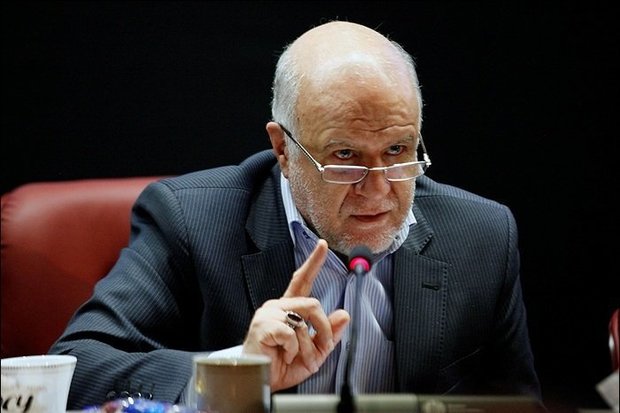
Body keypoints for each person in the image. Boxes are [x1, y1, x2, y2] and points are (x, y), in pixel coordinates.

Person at [49, 20, 541, 409]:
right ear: (283, 149)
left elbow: (518, 405)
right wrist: (238, 369)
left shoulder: (481, 237)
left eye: (397, 150)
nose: (378, 189)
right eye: (345, 156)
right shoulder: (191, 222)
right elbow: (74, 369)